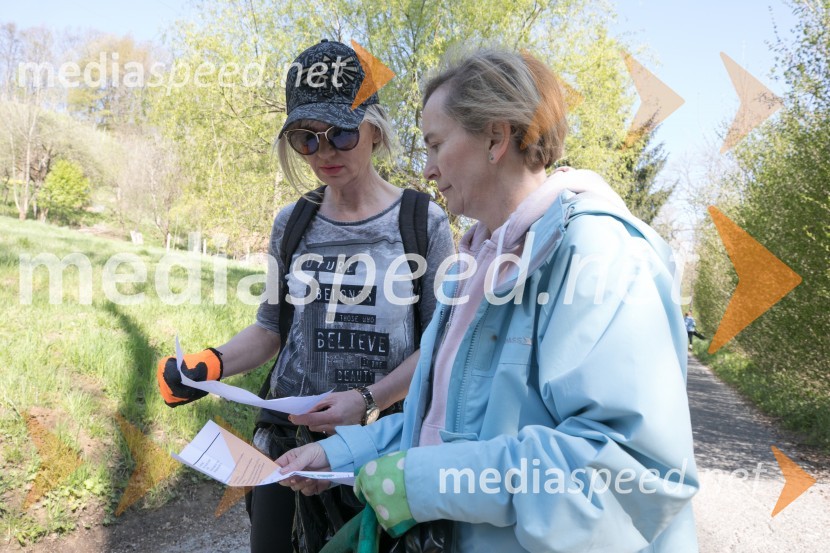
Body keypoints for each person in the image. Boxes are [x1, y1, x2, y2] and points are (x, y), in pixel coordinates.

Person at [276, 48, 700, 552]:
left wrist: (422, 483)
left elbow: (627, 472)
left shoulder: (598, 255)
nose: (427, 169)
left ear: (496, 138)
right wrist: (341, 455)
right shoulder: (475, 266)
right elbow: (436, 427)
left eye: (435, 145)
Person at [156, 39, 455, 553]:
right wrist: (208, 365)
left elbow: (439, 346)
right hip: (283, 446)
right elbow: (272, 328)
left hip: (377, 449)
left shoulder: (421, 222)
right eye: (305, 139)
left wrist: (367, 401)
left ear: (375, 129)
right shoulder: (291, 223)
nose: (325, 153)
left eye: (340, 133)